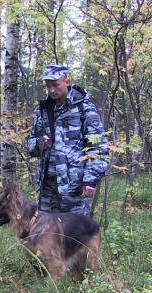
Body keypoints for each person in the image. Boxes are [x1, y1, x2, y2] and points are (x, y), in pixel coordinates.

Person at [27, 64, 109, 216]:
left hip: (73, 187)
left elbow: (98, 147)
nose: (52, 90)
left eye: (56, 85)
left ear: (67, 81)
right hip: (47, 187)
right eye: (48, 86)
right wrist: (39, 144)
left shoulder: (84, 108)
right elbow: (31, 143)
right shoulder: (43, 110)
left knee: (75, 235)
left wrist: (90, 180)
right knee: (46, 234)